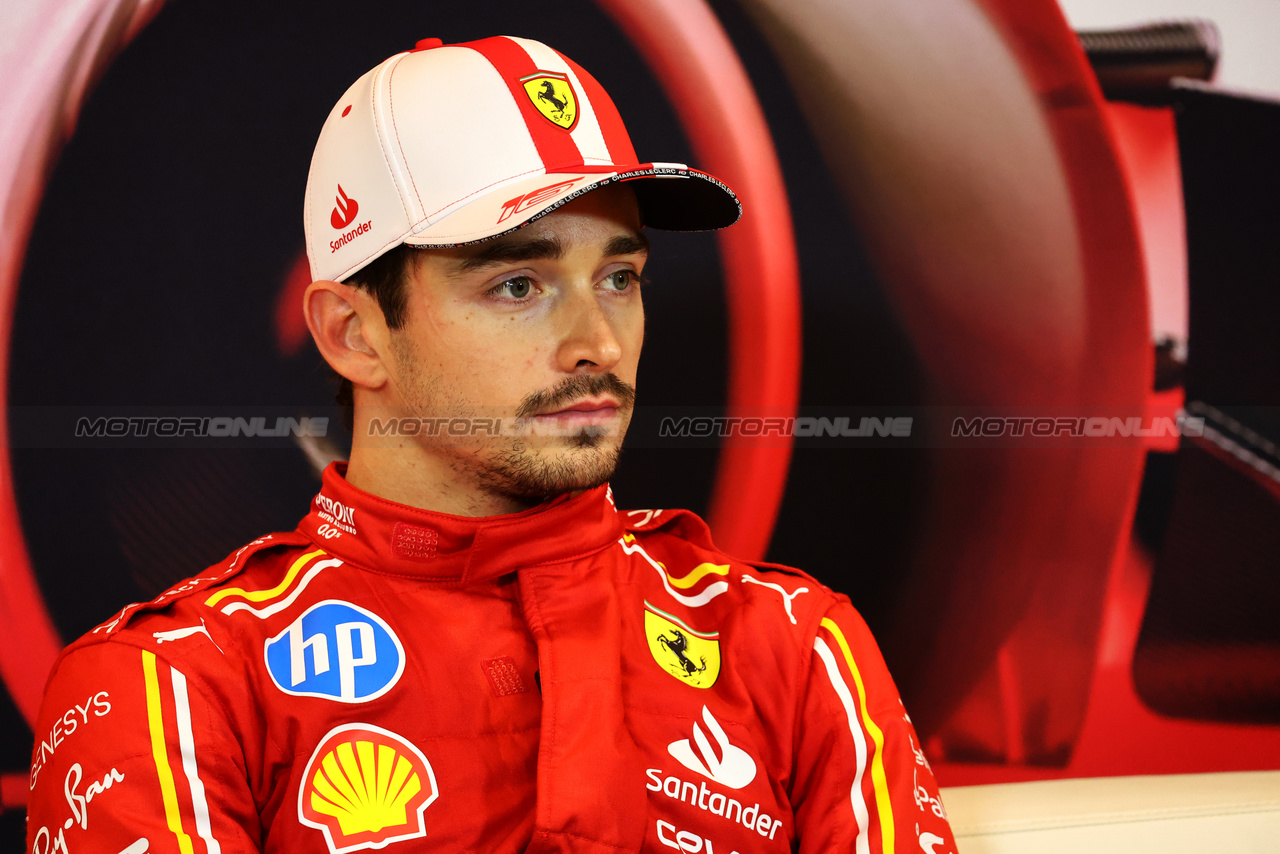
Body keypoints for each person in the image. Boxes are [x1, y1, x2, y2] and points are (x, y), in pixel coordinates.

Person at [26, 36, 956, 854]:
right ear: (354, 332)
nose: (598, 340)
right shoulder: (171, 689)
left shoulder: (793, 650)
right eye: (519, 284)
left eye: (620, 277)